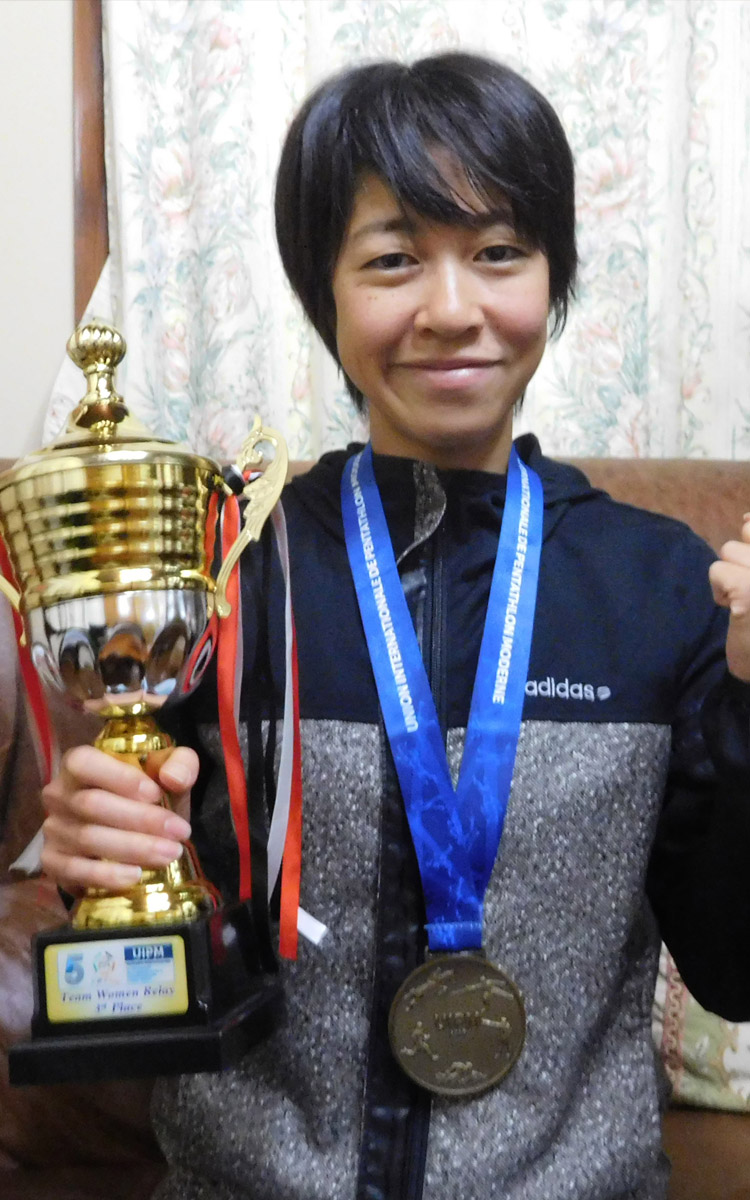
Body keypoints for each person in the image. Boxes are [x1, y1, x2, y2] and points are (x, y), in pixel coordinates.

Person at [40, 52, 750, 1200]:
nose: (454, 309)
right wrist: (96, 860)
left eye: (499, 252)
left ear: (554, 277)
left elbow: (737, 964)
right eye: (393, 259)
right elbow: (146, 954)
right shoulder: (224, 573)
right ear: (324, 290)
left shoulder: (662, 587)